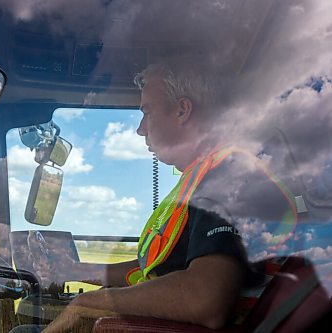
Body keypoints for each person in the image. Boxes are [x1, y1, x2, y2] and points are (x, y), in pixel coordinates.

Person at [20, 60, 294, 333]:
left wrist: (87, 303)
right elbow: (153, 270)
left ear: (182, 110)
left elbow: (204, 299)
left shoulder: (227, 176)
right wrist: (73, 270)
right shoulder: (203, 177)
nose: (141, 128)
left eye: (147, 112)